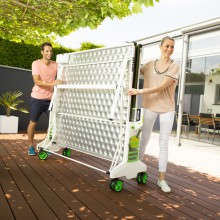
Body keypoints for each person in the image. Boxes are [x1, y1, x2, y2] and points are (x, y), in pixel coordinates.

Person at [128, 36, 180, 193]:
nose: (169, 49)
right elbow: (134, 70)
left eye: (172, 47)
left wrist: (140, 91)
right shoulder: (150, 64)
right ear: (160, 46)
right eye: (167, 46)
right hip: (150, 106)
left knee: (163, 144)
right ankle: (137, 168)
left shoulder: (175, 66)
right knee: (144, 138)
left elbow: (162, 87)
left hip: (167, 108)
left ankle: (161, 179)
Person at [27, 42, 61, 156]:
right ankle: (31, 146)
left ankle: (47, 145)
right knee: (33, 123)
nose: (49, 53)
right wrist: (52, 83)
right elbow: (37, 81)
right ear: (42, 52)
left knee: (52, 124)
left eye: (51, 51)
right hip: (37, 98)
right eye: (47, 51)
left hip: (50, 99)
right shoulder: (36, 64)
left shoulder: (55, 65)